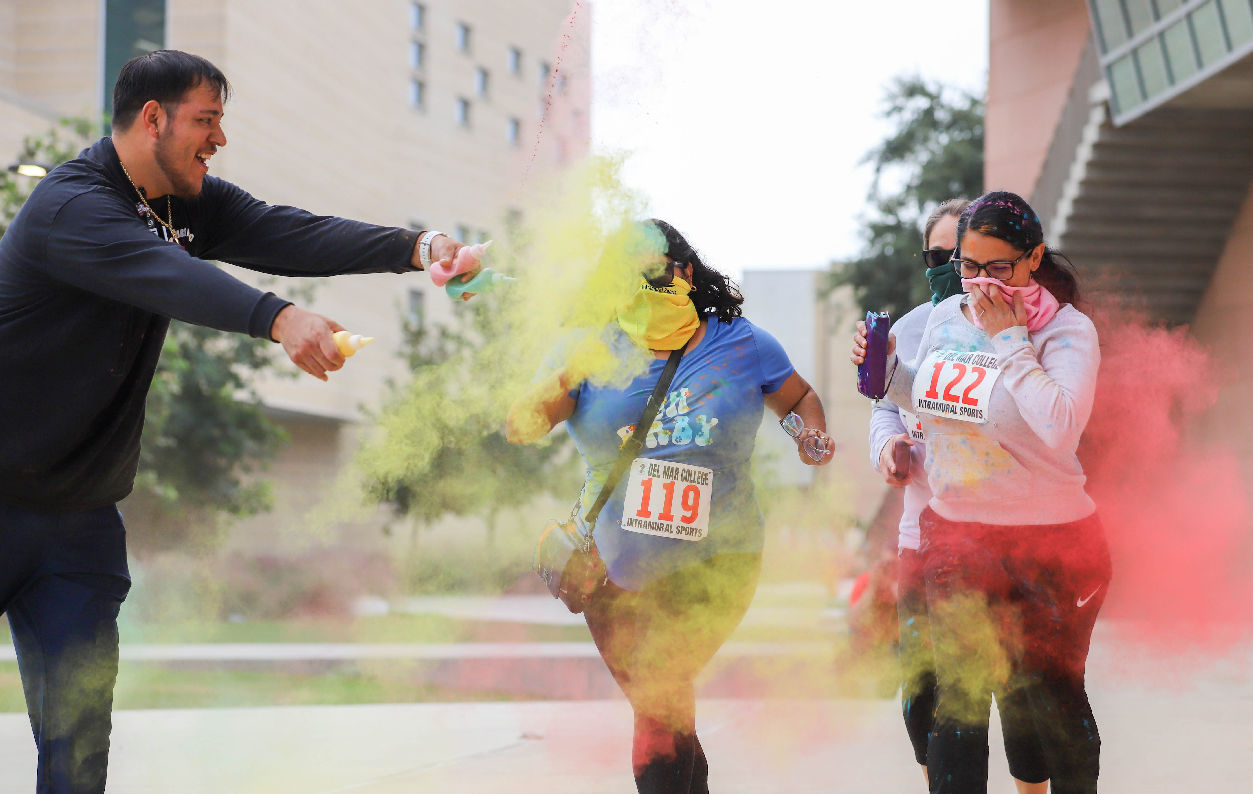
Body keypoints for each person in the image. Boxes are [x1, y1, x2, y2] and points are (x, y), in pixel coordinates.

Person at [0, 50, 483, 793]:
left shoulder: (180, 202)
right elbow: (165, 274)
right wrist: (277, 317)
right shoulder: (72, 204)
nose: (219, 139)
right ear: (152, 118)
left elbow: (284, 231)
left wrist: (415, 248)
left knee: (78, 741)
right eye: (207, 120)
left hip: (79, 517)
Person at [507, 219, 832, 794]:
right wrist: (564, 373)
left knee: (659, 694)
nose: (643, 285)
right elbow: (520, 428)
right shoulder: (586, 348)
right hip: (612, 574)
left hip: (721, 558)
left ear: (685, 272)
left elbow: (799, 398)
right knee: (665, 709)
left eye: (655, 271)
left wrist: (809, 436)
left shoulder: (741, 341)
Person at [853, 190, 1111, 794]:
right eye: (968, 267)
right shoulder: (945, 319)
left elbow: (1059, 427)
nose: (980, 283)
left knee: (1050, 696)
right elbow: (933, 402)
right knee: (959, 703)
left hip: (1053, 542)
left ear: (1033, 259)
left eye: (998, 268)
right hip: (959, 534)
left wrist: (1011, 340)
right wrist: (886, 370)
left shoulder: (1068, 332)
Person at [869, 199, 1050, 792]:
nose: (956, 268)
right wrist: (890, 448)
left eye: (966, 257)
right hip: (923, 537)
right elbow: (885, 410)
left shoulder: (1029, 324)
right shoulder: (913, 328)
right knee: (922, 697)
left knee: (1016, 694)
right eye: (940, 256)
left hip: (1006, 536)